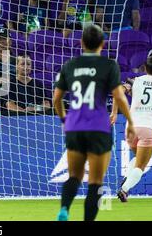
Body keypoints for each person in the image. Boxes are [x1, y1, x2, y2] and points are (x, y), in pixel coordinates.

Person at [53, 24, 135, 221]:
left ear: (81, 43)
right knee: (96, 182)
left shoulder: (70, 65)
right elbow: (119, 96)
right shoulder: (109, 65)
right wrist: (131, 122)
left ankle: (64, 209)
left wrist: (65, 119)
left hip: (75, 126)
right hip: (98, 127)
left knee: (74, 176)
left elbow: (56, 99)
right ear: (103, 44)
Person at [111, 55, 152, 202]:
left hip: (131, 128)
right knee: (141, 165)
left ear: (145, 67)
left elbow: (118, 91)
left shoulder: (136, 81)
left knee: (138, 159)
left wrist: (113, 113)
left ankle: (127, 180)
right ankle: (124, 189)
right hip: (149, 128)